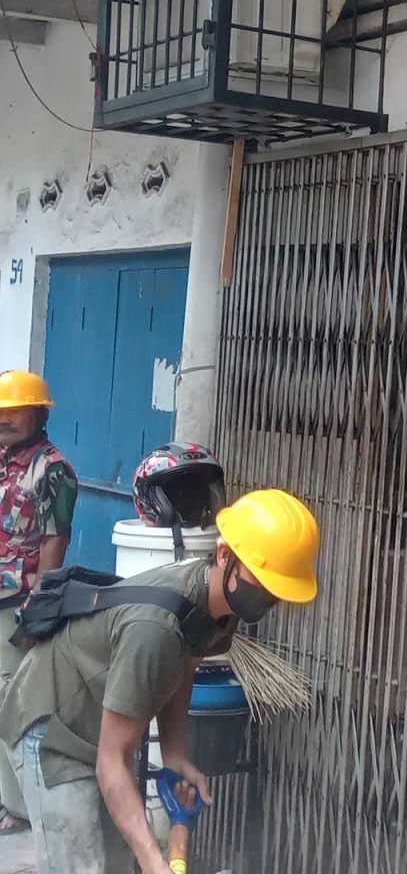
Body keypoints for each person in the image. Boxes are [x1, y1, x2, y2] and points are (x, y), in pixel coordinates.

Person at [0, 486, 320, 874]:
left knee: (116, 863)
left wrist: (175, 755)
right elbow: (111, 761)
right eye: (263, 581)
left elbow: (183, 669)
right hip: (51, 722)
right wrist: (155, 863)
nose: (268, 596)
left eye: (278, 589)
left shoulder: (218, 605)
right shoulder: (155, 630)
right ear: (224, 555)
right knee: (81, 864)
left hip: (101, 721)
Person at [0, 371, 78, 836]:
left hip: (17, 606)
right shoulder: (4, 460)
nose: (5, 419)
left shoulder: (52, 470)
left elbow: (54, 542)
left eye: (16, 410)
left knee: (13, 702)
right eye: (0, 411)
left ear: (39, 413)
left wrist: (39, 610)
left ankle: (21, 808)